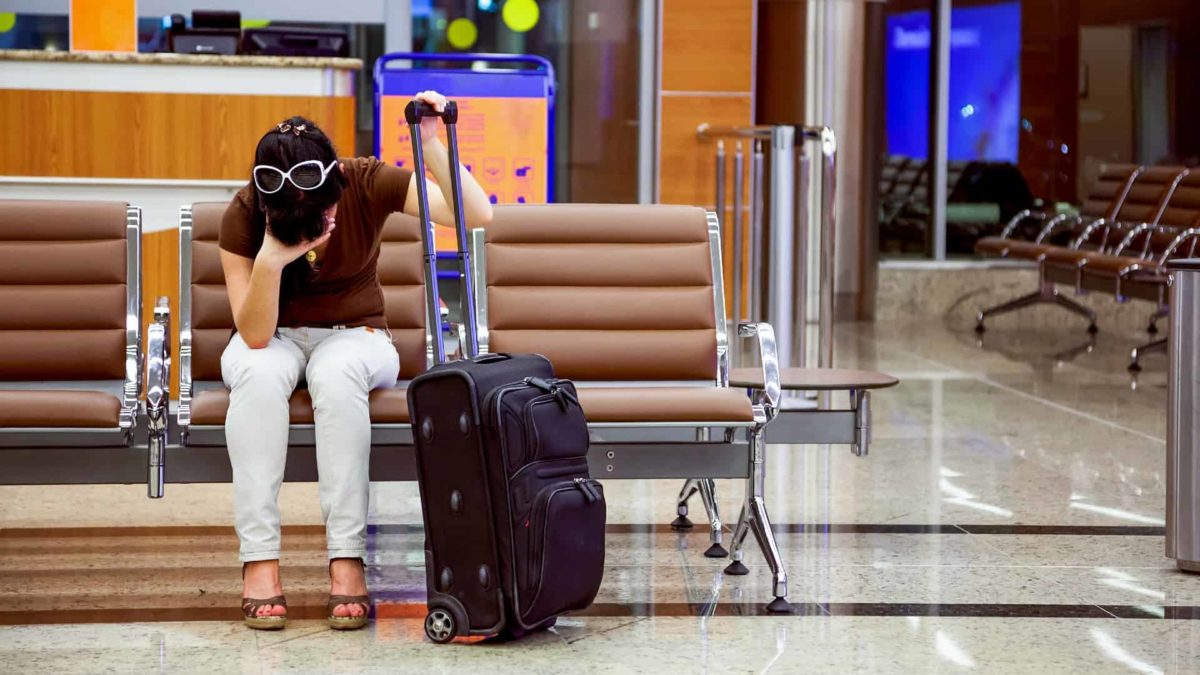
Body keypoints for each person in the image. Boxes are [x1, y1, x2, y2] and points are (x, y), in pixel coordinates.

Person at [218, 91, 492, 630]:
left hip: (357, 336)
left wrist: (432, 141)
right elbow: (252, 335)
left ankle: (346, 559)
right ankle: (259, 563)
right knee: (255, 373)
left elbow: (474, 214)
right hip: (270, 337)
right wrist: (272, 260)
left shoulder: (363, 181)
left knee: (336, 372)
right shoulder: (246, 211)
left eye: (321, 213)